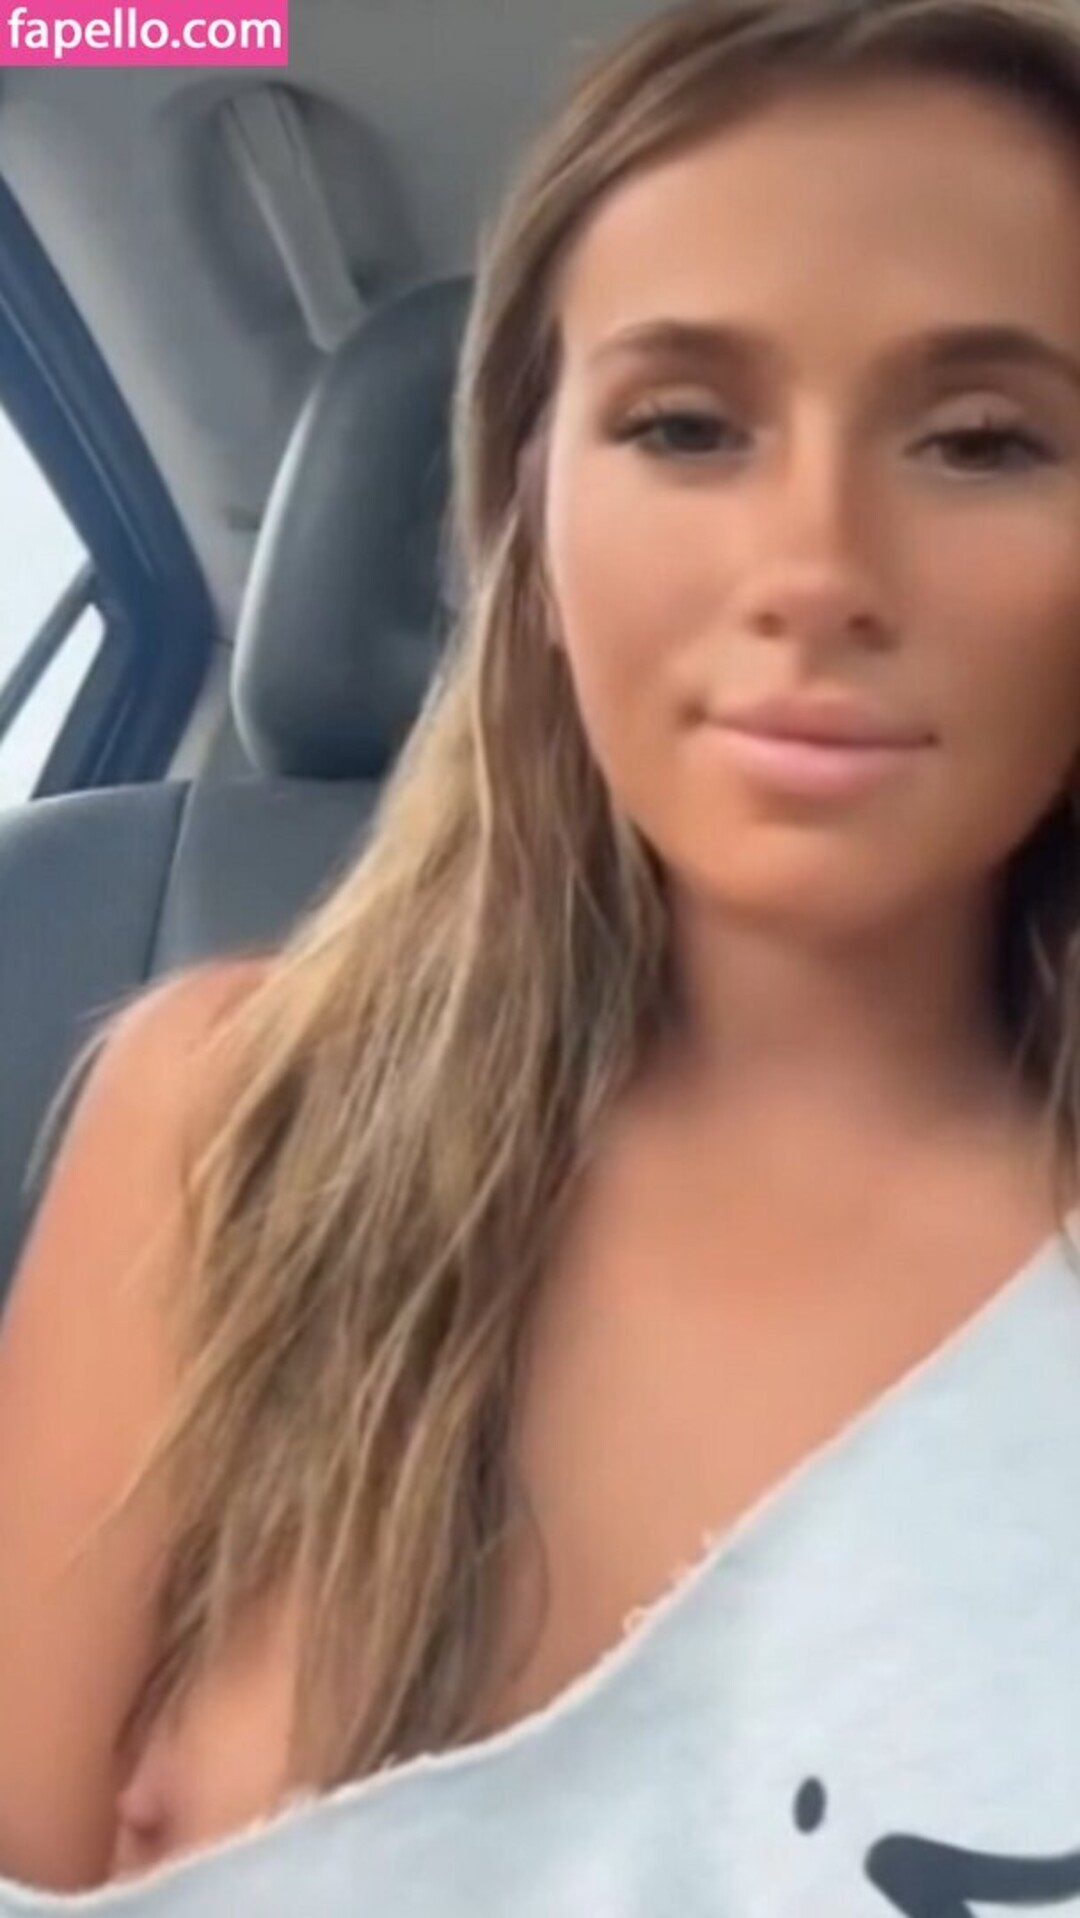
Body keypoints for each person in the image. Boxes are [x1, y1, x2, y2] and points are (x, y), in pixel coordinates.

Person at [5, 0, 1080, 1904]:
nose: (819, 567)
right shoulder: (228, 1127)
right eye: (686, 425)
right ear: (527, 519)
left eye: (981, 440)